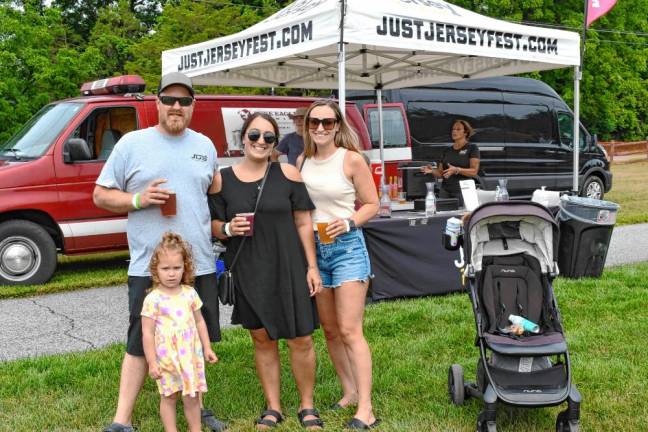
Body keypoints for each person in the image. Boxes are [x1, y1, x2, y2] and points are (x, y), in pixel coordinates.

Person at [93, 72, 226, 432]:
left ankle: (196, 406)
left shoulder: (205, 145)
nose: (176, 107)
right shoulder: (132, 144)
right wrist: (138, 199)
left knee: (195, 337)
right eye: (169, 100)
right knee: (140, 338)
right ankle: (122, 419)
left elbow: (213, 189)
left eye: (184, 101)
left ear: (193, 106)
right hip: (150, 267)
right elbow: (100, 195)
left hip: (196, 262)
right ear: (157, 103)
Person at [209, 112, 324, 430]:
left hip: (288, 265)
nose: (261, 142)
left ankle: (307, 405)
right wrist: (229, 227)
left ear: (275, 142)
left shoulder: (288, 173)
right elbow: (213, 226)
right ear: (242, 138)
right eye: (255, 135)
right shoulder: (222, 178)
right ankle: (273, 407)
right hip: (248, 268)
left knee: (301, 338)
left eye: (269, 137)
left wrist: (311, 267)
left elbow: (303, 222)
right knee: (261, 339)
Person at [298, 99, 380, 430]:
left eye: (327, 122)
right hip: (316, 249)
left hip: (347, 247)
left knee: (349, 329)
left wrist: (348, 222)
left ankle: (366, 407)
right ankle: (348, 390)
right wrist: (309, 261)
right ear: (306, 126)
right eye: (314, 122)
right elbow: (302, 213)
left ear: (337, 126)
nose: (320, 128)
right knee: (330, 330)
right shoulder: (302, 160)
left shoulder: (351, 160)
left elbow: (373, 204)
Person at [142, 232, 219, 432]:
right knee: (168, 396)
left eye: (176, 268)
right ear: (155, 270)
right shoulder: (153, 299)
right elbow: (147, 333)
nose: (171, 273)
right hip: (166, 358)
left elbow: (200, 321)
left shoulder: (189, 293)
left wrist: (207, 347)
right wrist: (152, 362)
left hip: (190, 355)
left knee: (192, 396)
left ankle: (196, 428)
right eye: (165, 268)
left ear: (185, 267)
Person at [420, 119, 480, 205]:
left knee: (461, 217)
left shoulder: (472, 148)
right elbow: (441, 173)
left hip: (463, 191)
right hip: (445, 191)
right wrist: (432, 171)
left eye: (458, 129)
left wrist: (457, 170)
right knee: (442, 216)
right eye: (453, 129)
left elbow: (474, 171)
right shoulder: (447, 150)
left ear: (465, 132)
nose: (454, 131)